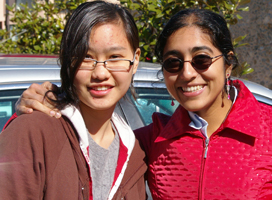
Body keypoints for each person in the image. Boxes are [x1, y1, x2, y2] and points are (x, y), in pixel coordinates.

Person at [5, 8, 272, 200]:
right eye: (173, 62)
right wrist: (31, 113)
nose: (188, 73)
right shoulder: (150, 142)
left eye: (201, 59)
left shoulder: (268, 129)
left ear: (228, 64)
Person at [0, 1, 147, 200]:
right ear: (68, 61)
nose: (100, 73)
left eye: (114, 57)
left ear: (135, 60)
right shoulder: (33, 133)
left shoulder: (135, 152)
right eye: (86, 57)